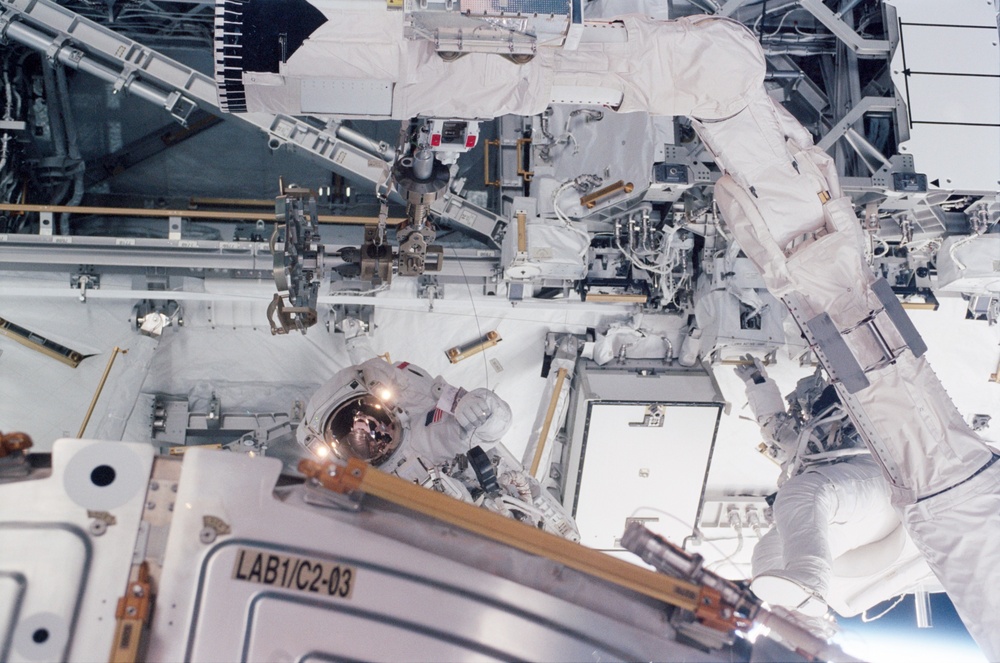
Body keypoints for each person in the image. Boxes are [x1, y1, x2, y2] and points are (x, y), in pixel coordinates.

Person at [736, 356, 898, 616]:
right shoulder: (814, 439)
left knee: (802, 495)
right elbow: (777, 428)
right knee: (772, 549)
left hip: (876, 490)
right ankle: (800, 612)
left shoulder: (876, 423)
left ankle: (809, 587)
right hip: (850, 522)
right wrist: (757, 382)